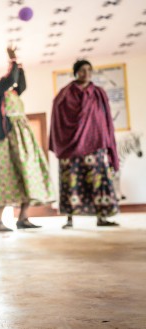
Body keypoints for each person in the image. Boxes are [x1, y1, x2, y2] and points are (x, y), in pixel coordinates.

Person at [0, 46, 54, 232]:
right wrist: (12, 60)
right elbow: (9, 79)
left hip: (21, 137)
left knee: (27, 173)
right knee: (4, 177)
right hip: (2, 138)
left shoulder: (9, 92)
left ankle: (23, 217)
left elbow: (20, 83)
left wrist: (18, 65)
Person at [50, 59, 120, 229]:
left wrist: (108, 142)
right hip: (71, 148)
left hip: (95, 145)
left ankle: (102, 217)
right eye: (82, 70)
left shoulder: (98, 93)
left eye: (89, 69)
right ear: (76, 72)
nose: (86, 73)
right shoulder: (65, 94)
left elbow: (105, 119)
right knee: (70, 182)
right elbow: (58, 120)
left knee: (99, 181)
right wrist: (62, 142)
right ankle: (69, 219)